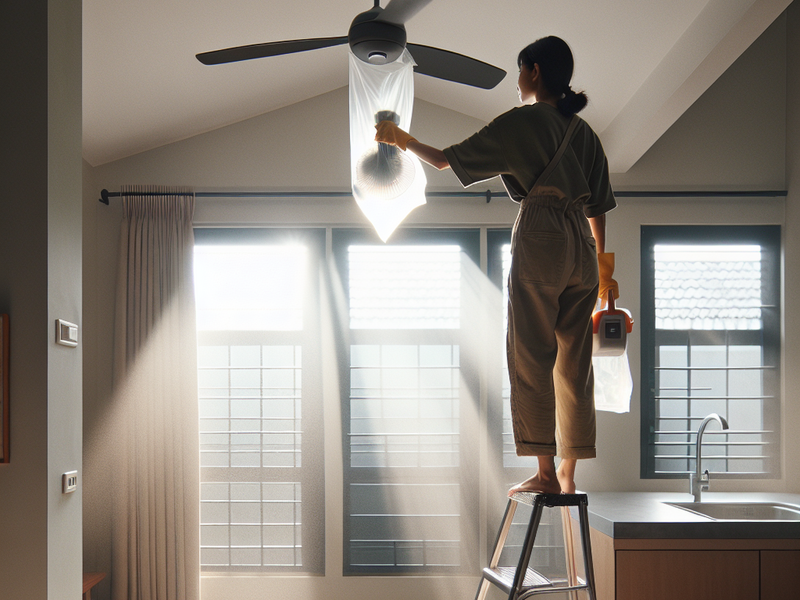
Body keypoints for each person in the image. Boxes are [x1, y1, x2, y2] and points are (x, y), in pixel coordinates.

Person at [375, 36, 618, 495]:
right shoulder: (585, 133)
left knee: (532, 357)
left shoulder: (522, 123)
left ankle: (546, 474)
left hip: (542, 235)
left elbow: (448, 161)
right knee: (575, 364)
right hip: (584, 249)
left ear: (535, 72)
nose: (519, 80)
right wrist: (605, 267)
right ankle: (568, 472)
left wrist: (402, 139)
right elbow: (598, 205)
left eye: (521, 70)